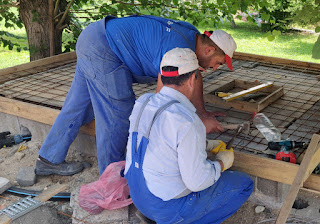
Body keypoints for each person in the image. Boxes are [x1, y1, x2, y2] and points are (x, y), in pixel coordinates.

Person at [35, 14, 237, 176]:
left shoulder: (191, 36)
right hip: (106, 49)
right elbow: (162, 103)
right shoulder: (178, 47)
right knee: (118, 113)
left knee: (79, 105)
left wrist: (201, 113)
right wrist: (191, 127)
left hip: (95, 38)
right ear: (209, 49)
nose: (216, 68)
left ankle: (48, 159)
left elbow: (195, 75)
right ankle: (111, 178)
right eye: (219, 62)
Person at [124, 47, 254, 224]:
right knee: (244, 184)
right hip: (167, 207)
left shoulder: (143, 101)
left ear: (162, 76)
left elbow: (160, 140)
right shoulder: (187, 121)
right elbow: (197, 182)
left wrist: (204, 143)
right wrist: (222, 163)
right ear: (193, 79)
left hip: (138, 196)